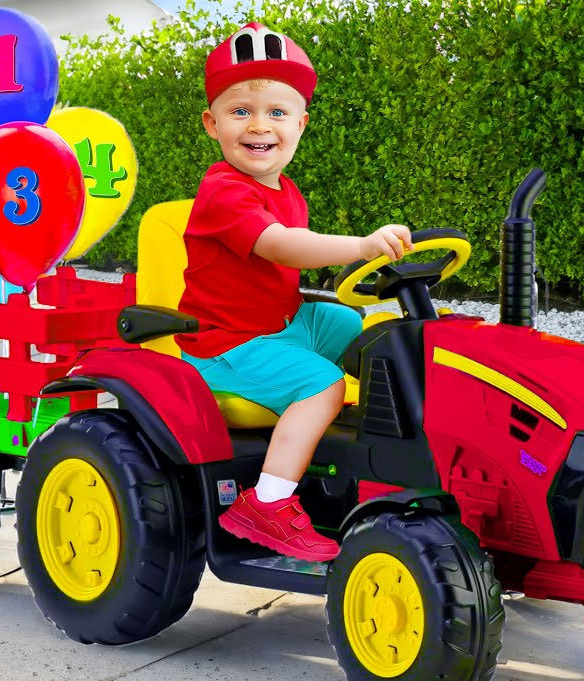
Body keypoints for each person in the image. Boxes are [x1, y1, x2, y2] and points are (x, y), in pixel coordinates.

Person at [177, 24, 413, 562]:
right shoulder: (222, 192)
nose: (259, 125)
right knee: (323, 384)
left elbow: (287, 265)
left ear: (301, 124)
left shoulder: (284, 189)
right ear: (212, 124)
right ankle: (268, 501)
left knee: (364, 330)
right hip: (225, 343)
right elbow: (283, 247)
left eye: (277, 113)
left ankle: (377, 446)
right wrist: (361, 245)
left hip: (282, 321)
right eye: (241, 112)